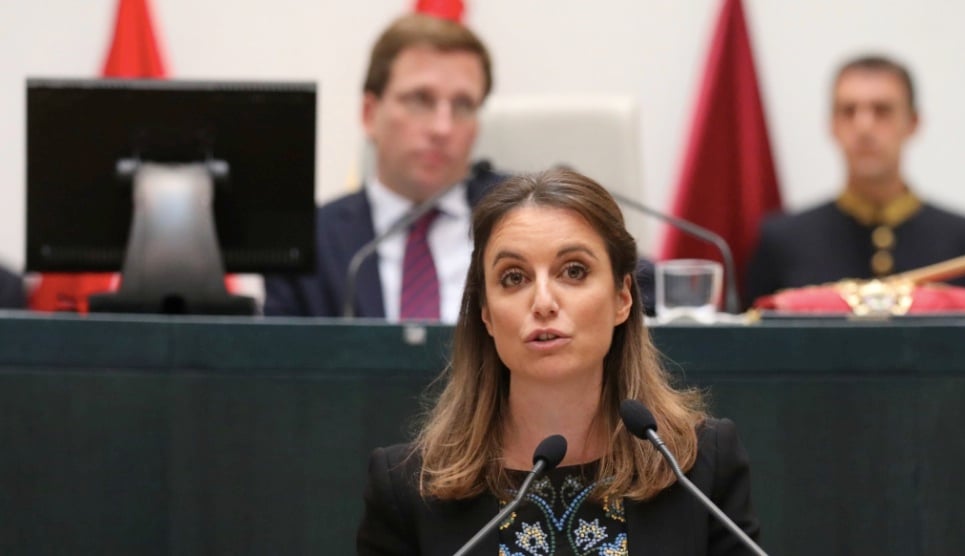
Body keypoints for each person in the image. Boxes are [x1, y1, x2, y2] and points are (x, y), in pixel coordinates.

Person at [357, 169, 760, 555]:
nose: (544, 303)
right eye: (514, 277)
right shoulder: (409, 489)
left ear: (623, 298)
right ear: (486, 313)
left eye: (573, 271)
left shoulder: (699, 467)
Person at [263, 14, 505, 321]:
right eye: (420, 100)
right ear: (369, 114)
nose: (443, 128)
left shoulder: (524, 219)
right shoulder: (309, 242)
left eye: (463, 106)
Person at [747, 55, 965, 305]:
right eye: (848, 111)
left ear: (912, 123)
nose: (864, 126)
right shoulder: (783, 241)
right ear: (832, 125)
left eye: (882, 110)